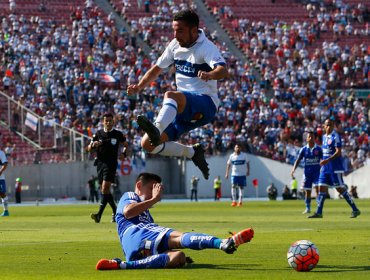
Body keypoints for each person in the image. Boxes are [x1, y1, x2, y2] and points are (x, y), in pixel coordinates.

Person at [127, 9, 228, 180]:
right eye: (174, 30)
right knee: (147, 145)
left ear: (194, 30)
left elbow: (222, 70)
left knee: (171, 95)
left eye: (180, 30)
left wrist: (210, 74)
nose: (175, 34)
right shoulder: (175, 45)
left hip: (206, 104)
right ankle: (191, 152)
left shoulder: (206, 47)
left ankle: (156, 129)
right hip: (183, 110)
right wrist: (139, 87)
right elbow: (156, 69)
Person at [95, 172, 254, 270]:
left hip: (134, 248)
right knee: (178, 237)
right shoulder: (130, 195)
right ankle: (221, 243)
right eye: (152, 188)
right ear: (139, 185)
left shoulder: (147, 213)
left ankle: (123, 265)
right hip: (137, 232)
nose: (154, 193)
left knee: (179, 257)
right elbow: (128, 212)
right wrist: (155, 199)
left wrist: (152, 200)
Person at [309, 119, 361, 218]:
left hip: (335, 168)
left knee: (340, 189)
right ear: (324, 126)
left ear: (333, 126)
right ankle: (319, 212)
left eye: (331, 125)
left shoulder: (335, 136)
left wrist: (327, 160)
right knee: (321, 188)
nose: (329, 127)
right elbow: (325, 151)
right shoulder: (324, 137)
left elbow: (338, 152)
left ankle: (355, 209)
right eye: (327, 125)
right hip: (325, 168)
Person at [87, 113, 130, 223]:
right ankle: (116, 211)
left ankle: (99, 215)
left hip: (111, 163)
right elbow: (88, 148)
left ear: (113, 122)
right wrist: (93, 145)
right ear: (103, 122)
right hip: (100, 163)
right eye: (106, 121)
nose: (108, 123)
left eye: (110, 121)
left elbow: (126, 146)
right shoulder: (98, 134)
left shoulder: (117, 134)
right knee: (104, 190)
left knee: (105, 188)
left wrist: (124, 154)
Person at [291, 131, 323, 214]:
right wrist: (293, 169)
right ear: (307, 138)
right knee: (307, 192)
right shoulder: (303, 149)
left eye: (312, 136)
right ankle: (308, 208)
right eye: (309, 137)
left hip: (317, 173)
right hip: (307, 174)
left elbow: (323, 160)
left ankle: (318, 207)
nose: (311, 138)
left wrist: (323, 168)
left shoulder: (318, 149)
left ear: (315, 138)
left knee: (317, 190)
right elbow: (298, 160)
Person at [0, 147, 9, 216]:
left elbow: (5, 164)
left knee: (2, 194)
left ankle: (6, 211)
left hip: (0, 178)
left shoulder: (1, 153)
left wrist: (0, 172)